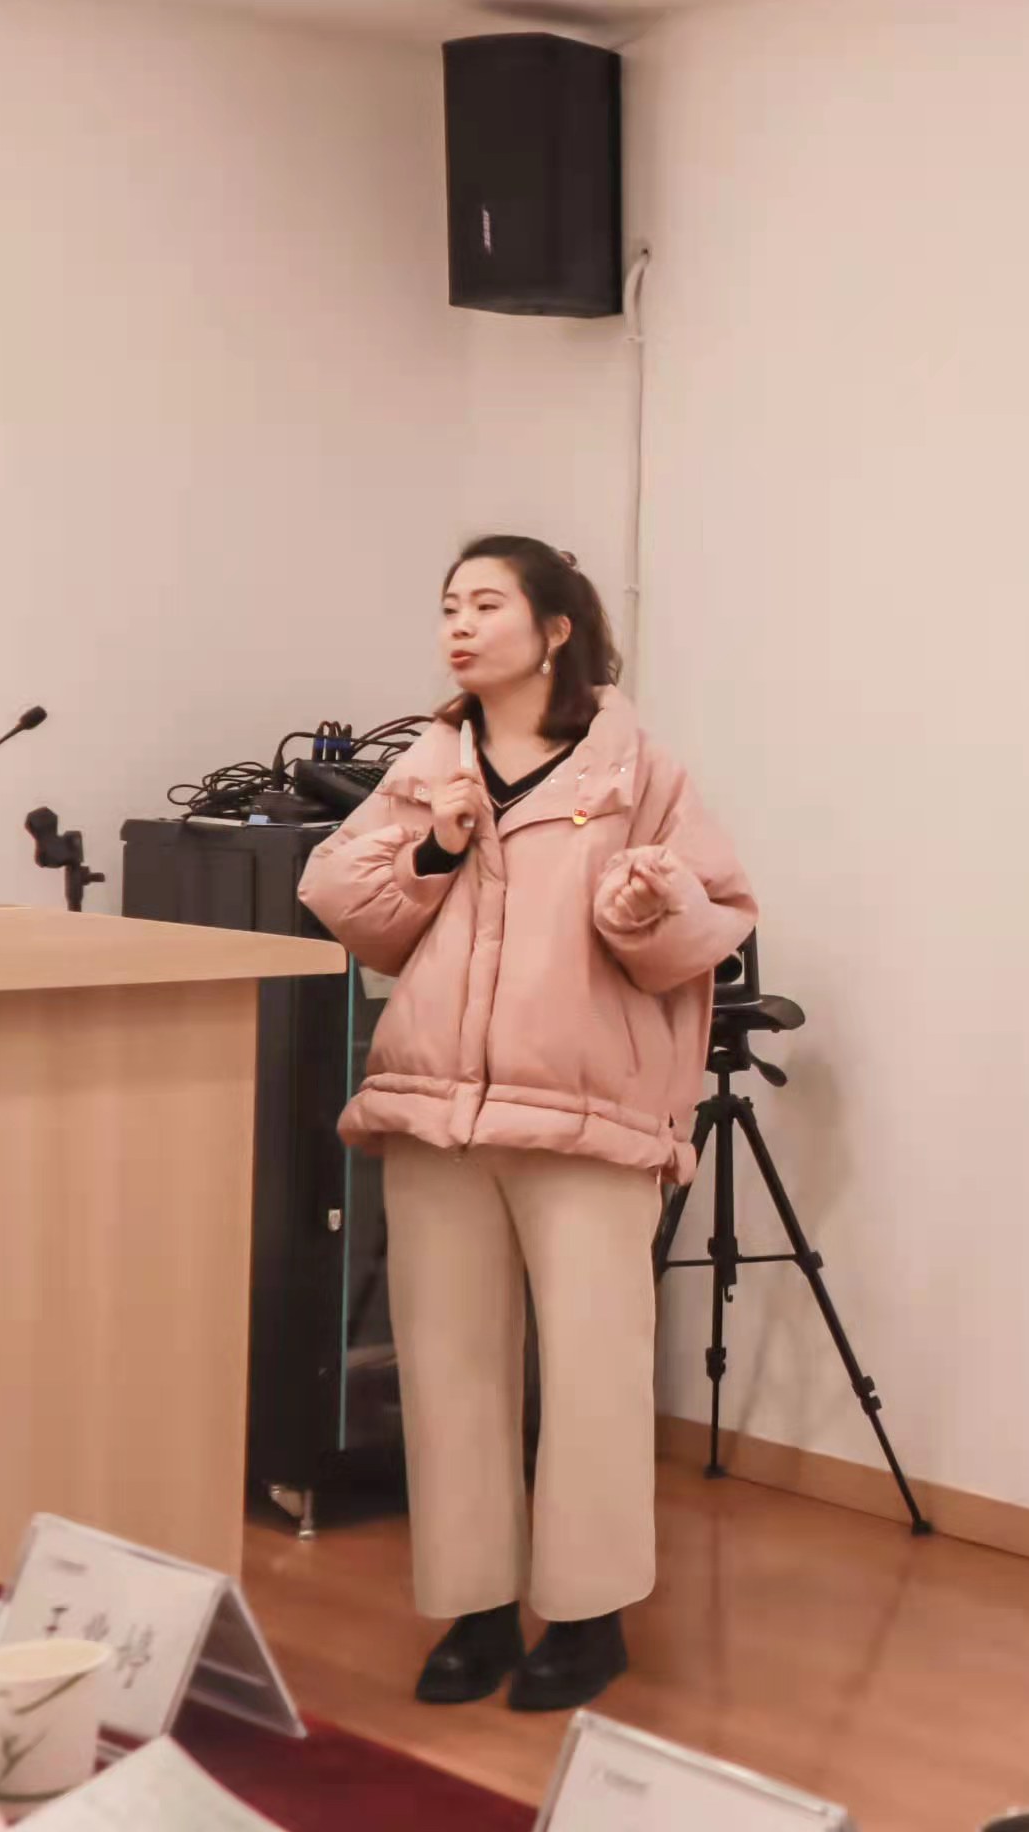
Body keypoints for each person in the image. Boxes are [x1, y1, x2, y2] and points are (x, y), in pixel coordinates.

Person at [299, 536, 755, 1713]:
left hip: (587, 1116)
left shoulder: (638, 770)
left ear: (556, 629)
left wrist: (649, 906)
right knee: (448, 1366)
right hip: (434, 1110)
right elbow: (346, 903)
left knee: (595, 1370)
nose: (458, 624)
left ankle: (590, 1616)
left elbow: (713, 926)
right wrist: (435, 844)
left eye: (486, 604)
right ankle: (478, 1607)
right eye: (448, 605)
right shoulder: (426, 766)